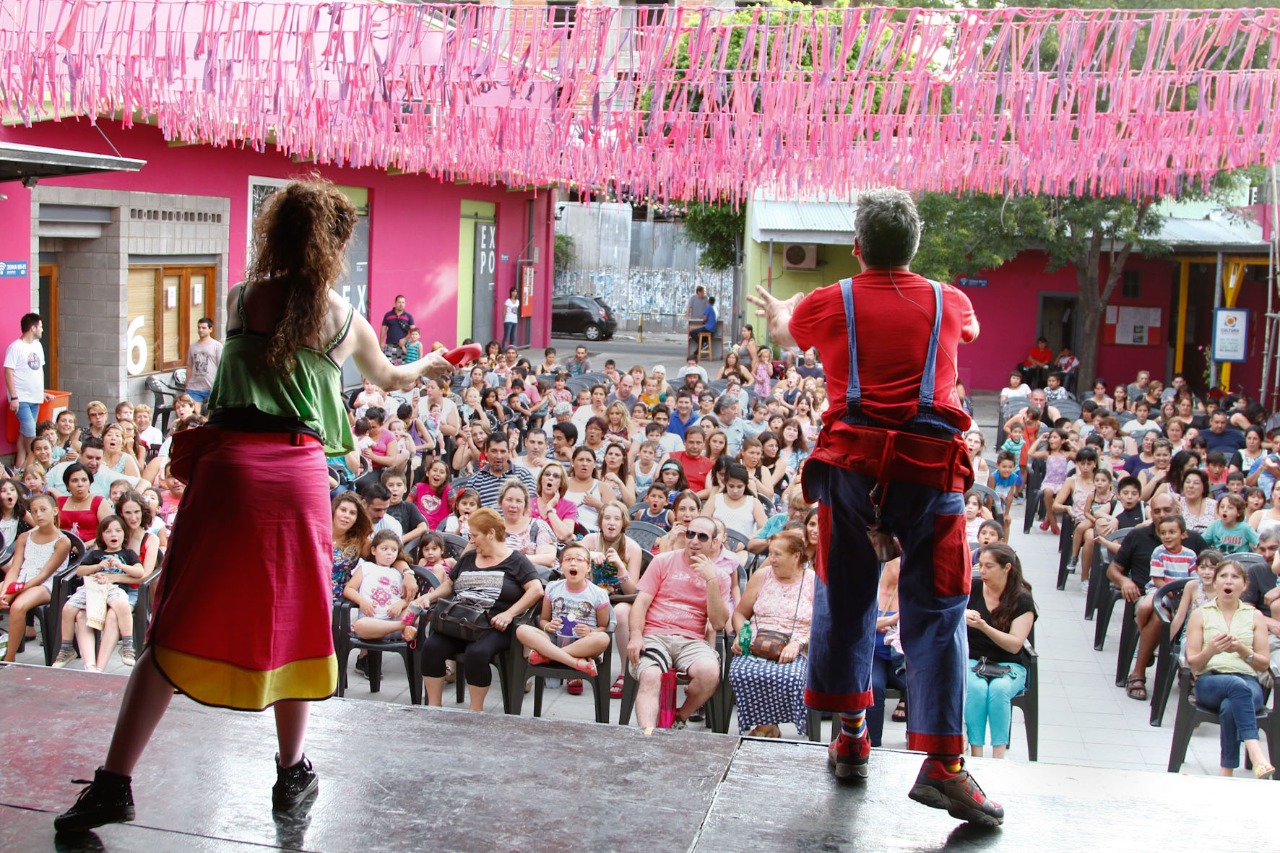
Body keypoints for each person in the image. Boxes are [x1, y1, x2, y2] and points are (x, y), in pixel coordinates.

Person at [55, 178, 455, 832]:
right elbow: (390, 378)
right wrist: (430, 363)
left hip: (227, 472)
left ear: (278, 232)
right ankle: (291, 773)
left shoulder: (241, 298)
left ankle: (114, 782)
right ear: (334, 244)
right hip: (295, 479)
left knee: (176, 620)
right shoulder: (343, 320)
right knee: (295, 620)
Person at [747, 188, 1002, 826]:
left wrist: (785, 312)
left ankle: (853, 732)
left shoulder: (828, 302)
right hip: (928, 472)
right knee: (940, 607)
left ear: (857, 249)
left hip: (851, 471)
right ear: (914, 248)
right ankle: (943, 766)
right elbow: (964, 333)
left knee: (847, 594)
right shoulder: (952, 300)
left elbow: (785, 334)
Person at [416, 508, 544, 711]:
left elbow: (536, 590)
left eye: (475, 535)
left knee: (477, 653)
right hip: (461, 620)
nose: (472, 540)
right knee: (433, 647)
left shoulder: (516, 561)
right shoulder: (469, 558)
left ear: (491, 533)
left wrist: (509, 614)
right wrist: (428, 597)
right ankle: (433, 707)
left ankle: (475, 711)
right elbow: (450, 585)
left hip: (493, 624)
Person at [626, 514, 732, 731]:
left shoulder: (720, 576)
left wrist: (711, 580)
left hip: (691, 640)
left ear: (714, 542)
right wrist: (636, 636)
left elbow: (719, 623)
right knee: (651, 675)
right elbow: (641, 603)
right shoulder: (663, 561)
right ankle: (646, 736)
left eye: (702, 537)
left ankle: (679, 716)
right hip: (655, 634)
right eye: (690, 533)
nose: (694, 540)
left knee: (710, 673)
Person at [1184, 560, 1275, 779]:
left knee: (1230, 705)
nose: (1229, 581)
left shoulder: (1254, 616)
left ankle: (1226, 772)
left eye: (1235, 577)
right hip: (1210, 681)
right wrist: (1211, 650)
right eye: (1223, 576)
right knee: (1235, 687)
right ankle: (1256, 753)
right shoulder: (1201, 614)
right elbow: (1193, 663)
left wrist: (1244, 650)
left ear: (1244, 585)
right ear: (1215, 583)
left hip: (1247, 681)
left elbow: (1263, 663)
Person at [728, 529, 815, 738]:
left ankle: (765, 727)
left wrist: (799, 643)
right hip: (758, 641)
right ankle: (768, 726)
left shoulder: (812, 581)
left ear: (796, 556)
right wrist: (741, 634)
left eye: (777, 554)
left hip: (796, 647)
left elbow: (822, 625)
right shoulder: (762, 576)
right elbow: (740, 614)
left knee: (790, 676)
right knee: (741, 672)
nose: (771, 560)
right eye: (770, 553)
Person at [965, 544, 1036, 759]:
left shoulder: (1022, 599)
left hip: (1008, 663)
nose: (983, 571)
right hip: (974, 659)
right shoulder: (973, 587)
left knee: (999, 689)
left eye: (989, 566)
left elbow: (1015, 644)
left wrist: (985, 627)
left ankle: (998, 755)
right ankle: (976, 752)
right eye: (980, 566)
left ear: (1006, 568)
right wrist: (962, 613)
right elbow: (949, 610)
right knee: (975, 688)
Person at [52, 514, 144, 672]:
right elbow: (80, 570)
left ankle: (128, 645)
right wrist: (98, 567)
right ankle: (67, 648)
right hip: (93, 590)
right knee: (68, 609)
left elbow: (139, 572)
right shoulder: (96, 554)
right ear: (101, 535)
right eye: (108, 531)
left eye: (118, 531)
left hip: (115, 589)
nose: (113, 534)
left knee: (121, 604)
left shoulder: (128, 554)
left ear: (124, 534)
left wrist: (121, 566)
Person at [514, 542, 610, 677]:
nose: (573, 563)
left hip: (582, 644)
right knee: (522, 630)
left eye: (579, 559)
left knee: (603, 639)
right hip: (553, 639)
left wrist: (590, 631)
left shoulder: (598, 594)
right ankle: (574, 662)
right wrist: (548, 625)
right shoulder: (553, 588)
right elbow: (543, 620)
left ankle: (548, 656)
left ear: (588, 567)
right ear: (561, 565)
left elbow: (603, 626)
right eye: (568, 559)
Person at [0, 493, 71, 663]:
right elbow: (14, 569)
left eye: (43, 510)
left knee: (17, 607)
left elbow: (44, 574)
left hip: (45, 585)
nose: (38, 514)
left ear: (54, 511)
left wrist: (14, 592)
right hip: (21, 580)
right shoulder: (24, 537)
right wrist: (5, 591)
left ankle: (9, 658)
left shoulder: (63, 542)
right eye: (34, 511)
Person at [5, 312, 53, 472]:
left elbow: (38, 372)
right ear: (32, 328)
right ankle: (34, 465)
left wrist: (42, 392)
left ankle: (20, 465)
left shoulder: (37, 346)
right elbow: (8, 372)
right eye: (40, 326)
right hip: (22, 398)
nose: (42, 330)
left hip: (35, 397)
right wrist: (14, 397)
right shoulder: (15, 347)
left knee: (24, 431)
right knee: (31, 432)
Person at [184, 317, 223, 414]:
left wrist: (221, 386)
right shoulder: (193, 347)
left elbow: (222, 367)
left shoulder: (217, 346)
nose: (200, 330)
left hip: (211, 388)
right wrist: (187, 384)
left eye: (203, 328)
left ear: (210, 329)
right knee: (195, 416)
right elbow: (189, 366)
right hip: (194, 388)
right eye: (199, 327)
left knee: (209, 416)